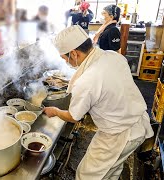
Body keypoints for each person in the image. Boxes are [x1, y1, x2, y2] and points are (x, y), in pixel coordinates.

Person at [45, 25, 153, 179]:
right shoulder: (111, 55)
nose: (65, 62)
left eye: (64, 57)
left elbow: (73, 117)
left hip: (118, 135)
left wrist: (54, 111)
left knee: (86, 175)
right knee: (113, 169)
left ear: (74, 53)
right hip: (137, 123)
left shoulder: (87, 81)